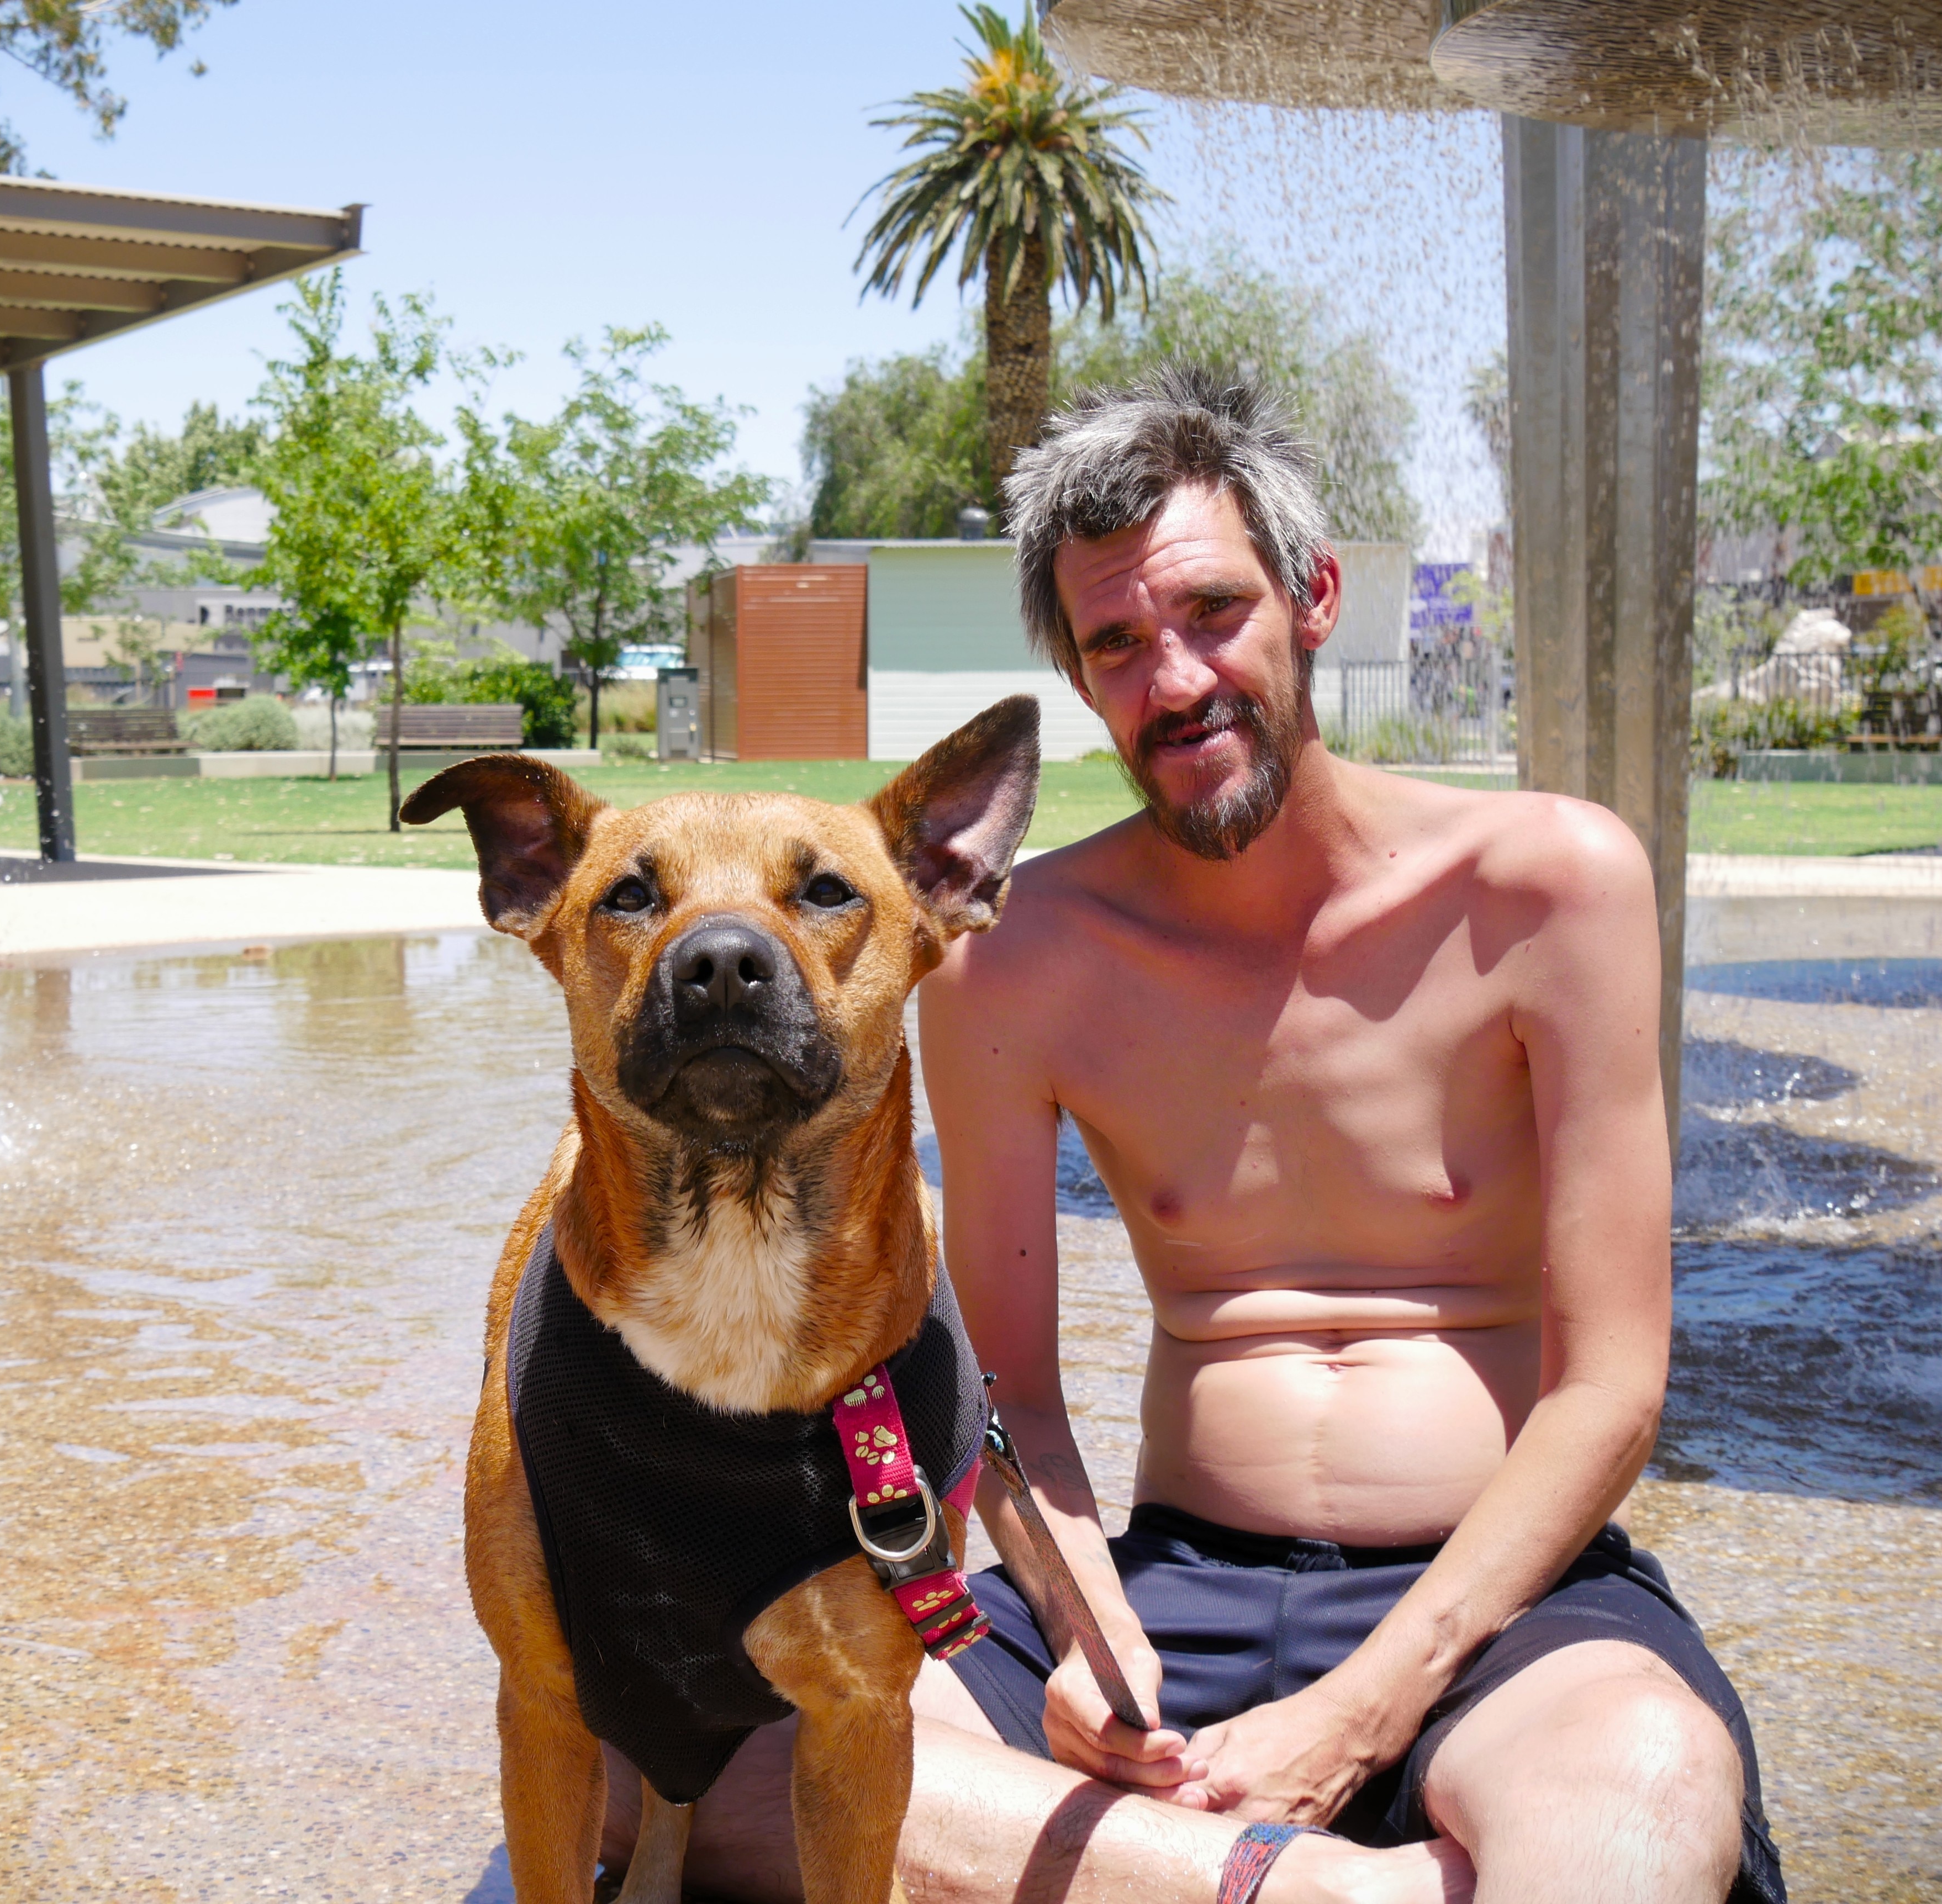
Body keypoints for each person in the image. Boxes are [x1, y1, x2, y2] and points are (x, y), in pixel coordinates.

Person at [598, 371, 1786, 1904]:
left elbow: (1615, 1387)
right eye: (1115, 646)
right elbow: (1005, 1386)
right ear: (1082, 682)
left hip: (1496, 1598)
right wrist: (1086, 1623)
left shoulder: (1552, 886)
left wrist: (1364, 1712)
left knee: (1648, 1794)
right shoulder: (1015, 959)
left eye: (1214, 613)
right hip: (1161, 1580)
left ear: (1313, 599)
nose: (1175, 682)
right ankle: (1323, 1893)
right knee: (679, 1764)